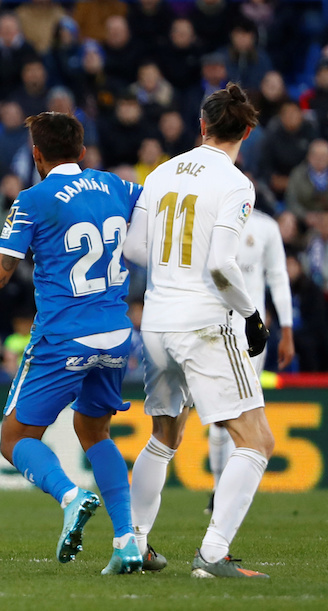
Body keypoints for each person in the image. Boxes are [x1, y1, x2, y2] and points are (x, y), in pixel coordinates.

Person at [0, 112, 144, 575]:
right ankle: (128, 542)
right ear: (81, 151)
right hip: (118, 333)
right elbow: (153, 207)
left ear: (36, 154)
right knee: (95, 432)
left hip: (64, 336)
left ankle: (71, 497)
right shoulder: (118, 186)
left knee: (14, 438)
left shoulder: (33, 199)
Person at [122, 84, 275, 578]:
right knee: (256, 440)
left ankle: (135, 545)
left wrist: (172, 268)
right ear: (246, 131)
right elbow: (222, 268)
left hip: (157, 321)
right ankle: (213, 554)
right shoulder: (235, 183)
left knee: (164, 436)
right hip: (205, 324)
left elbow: (135, 249)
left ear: (202, 126)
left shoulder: (161, 172)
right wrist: (252, 316)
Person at [206, 205, 294, 514]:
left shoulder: (266, 227)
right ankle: (219, 489)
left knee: (240, 411)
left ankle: (223, 492)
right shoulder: (210, 220)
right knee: (220, 417)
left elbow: (278, 276)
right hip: (211, 329)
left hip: (250, 335)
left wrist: (287, 329)